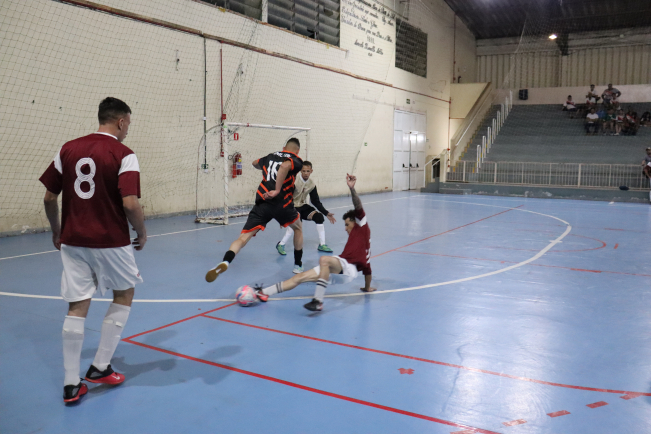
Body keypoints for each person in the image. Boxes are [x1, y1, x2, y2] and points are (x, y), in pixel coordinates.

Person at [39, 97, 146, 404]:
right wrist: (141, 231)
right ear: (121, 122)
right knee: (124, 293)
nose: (128, 130)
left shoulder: (67, 149)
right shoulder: (124, 154)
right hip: (111, 239)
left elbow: (49, 198)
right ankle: (100, 366)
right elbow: (130, 203)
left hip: (72, 240)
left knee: (77, 305)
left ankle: (71, 385)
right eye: (128, 124)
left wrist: (56, 230)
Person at [253, 174, 374, 312]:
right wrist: (367, 287)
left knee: (324, 259)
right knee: (299, 277)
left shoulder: (362, 225)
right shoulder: (364, 244)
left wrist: (352, 189)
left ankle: (318, 301)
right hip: (338, 268)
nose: (345, 228)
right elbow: (368, 270)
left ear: (356, 221)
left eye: (347, 224)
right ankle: (263, 293)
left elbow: (357, 205)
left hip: (347, 267)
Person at [206, 138, 305, 281]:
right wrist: (277, 189)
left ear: (283, 147)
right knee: (298, 228)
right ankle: (298, 265)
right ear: (298, 150)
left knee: (242, 238)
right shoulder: (296, 160)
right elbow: (284, 166)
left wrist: (265, 167)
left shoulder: (270, 156)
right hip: (281, 203)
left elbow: (254, 163)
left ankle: (226, 261)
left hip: (262, 202)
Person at [276, 161, 336, 256]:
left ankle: (322, 245)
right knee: (296, 222)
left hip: (302, 206)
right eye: (303, 171)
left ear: (311, 171)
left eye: (308, 171)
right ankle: (281, 244)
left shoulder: (311, 184)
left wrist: (326, 212)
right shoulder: (294, 181)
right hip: (292, 206)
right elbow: (284, 197)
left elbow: (315, 201)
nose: (306, 173)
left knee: (319, 217)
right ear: (300, 171)